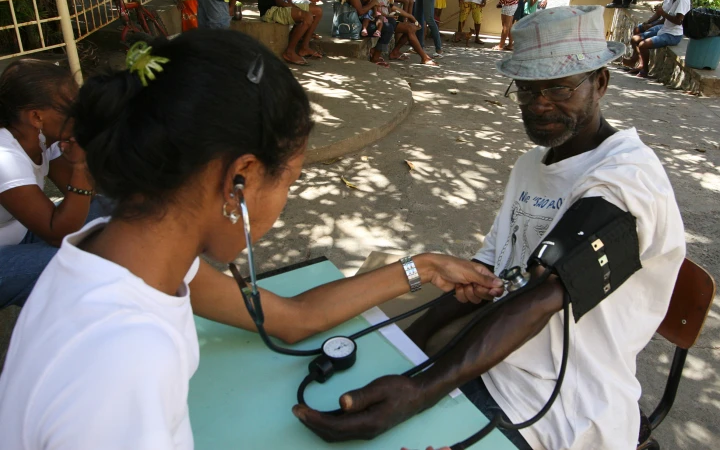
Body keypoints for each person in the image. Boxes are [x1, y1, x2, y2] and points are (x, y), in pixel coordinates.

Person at [0, 30, 500, 448]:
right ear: (241, 177)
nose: (284, 200)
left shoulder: (125, 249)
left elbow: (291, 319)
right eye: (289, 180)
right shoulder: (126, 358)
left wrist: (425, 267)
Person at [292, 6, 686, 450]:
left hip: (563, 404)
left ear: (600, 82)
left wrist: (419, 391)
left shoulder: (628, 179)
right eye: (528, 89)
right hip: (491, 362)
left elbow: (544, 295)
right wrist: (408, 346)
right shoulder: (530, 167)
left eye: (559, 86)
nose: (540, 104)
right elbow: (487, 273)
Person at [0, 60, 111, 309]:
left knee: (115, 210)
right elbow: (56, 232)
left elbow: (86, 197)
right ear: (37, 117)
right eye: (71, 107)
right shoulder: (5, 158)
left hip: (22, 236)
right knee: (74, 269)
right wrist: (81, 167)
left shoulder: (43, 141)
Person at [367, 0, 438, 66]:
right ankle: (376, 55)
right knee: (394, 27)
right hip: (377, 19)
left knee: (413, 27)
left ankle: (397, 52)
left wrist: (409, 16)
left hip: (387, 16)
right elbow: (372, 4)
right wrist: (384, 15)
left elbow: (391, 6)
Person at [623, 0, 690, 78]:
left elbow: (678, 21)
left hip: (673, 35)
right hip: (664, 29)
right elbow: (664, 17)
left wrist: (662, 13)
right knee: (635, 38)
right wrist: (651, 23)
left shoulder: (682, 0)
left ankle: (644, 70)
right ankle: (636, 62)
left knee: (642, 45)